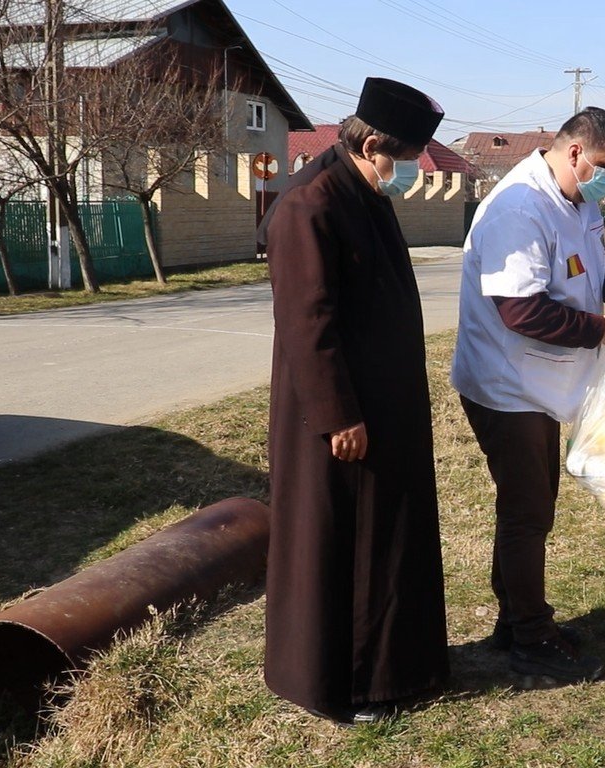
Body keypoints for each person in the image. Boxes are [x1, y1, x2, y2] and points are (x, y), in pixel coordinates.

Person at [264, 77, 448, 725]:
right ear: (370, 143)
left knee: (386, 544)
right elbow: (308, 323)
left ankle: (394, 669)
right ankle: (343, 684)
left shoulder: (362, 189)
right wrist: (338, 415)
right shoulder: (309, 205)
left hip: (385, 410)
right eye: (403, 159)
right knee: (344, 549)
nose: (409, 174)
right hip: (341, 421)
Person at [450, 106, 605, 684]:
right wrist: (604, 330)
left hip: (542, 383)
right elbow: (520, 308)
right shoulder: (518, 207)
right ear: (576, 152)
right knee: (528, 513)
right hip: (506, 385)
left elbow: (595, 260)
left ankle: (515, 620)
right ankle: (531, 640)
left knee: (529, 507)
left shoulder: (579, 197)